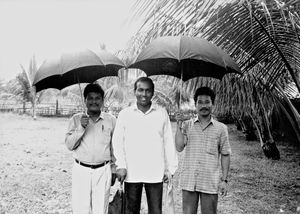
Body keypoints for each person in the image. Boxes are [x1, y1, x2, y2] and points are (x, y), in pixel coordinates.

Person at [112, 77, 178, 214]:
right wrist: (121, 165)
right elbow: (117, 142)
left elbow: (168, 142)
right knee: (131, 211)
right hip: (131, 172)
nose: (144, 94)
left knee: (155, 211)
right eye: (140, 90)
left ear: (153, 93)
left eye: (148, 91)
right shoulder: (125, 114)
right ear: (134, 91)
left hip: (155, 172)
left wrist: (170, 169)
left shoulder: (161, 113)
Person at [175, 87, 231, 214]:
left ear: (213, 104)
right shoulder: (187, 125)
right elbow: (179, 147)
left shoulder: (221, 128)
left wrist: (225, 180)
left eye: (207, 102)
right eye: (200, 102)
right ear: (195, 104)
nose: (203, 105)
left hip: (209, 181)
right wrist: (178, 125)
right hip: (189, 180)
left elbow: (225, 154)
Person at [65, 83, 117, 214]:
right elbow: (70, 145)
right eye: (90, 98)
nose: (94, 101)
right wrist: (81, 128)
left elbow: (114, 147)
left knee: (101, 209)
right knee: (80, 209)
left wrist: (114, 169)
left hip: (103, 170)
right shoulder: (76, 119)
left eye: (97, 98)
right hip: (81, 170)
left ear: (102, 100)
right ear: (85, 100)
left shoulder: (111, 120)